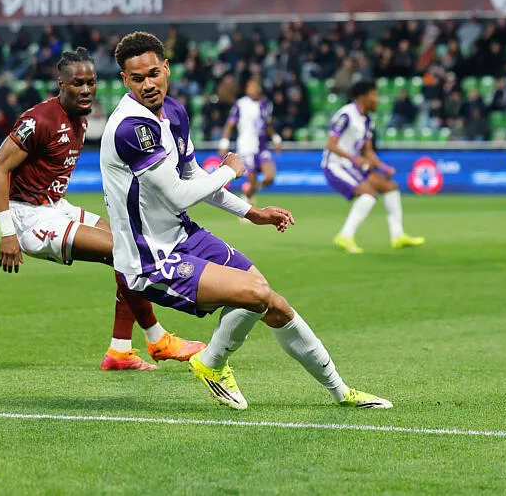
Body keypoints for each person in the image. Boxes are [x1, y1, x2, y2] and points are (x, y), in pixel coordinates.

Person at [100, 31, 390, 409]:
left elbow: (192, 180)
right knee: (255, 295)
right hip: (149, 257)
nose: (148, 84)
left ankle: (342, 392)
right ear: (125, 79)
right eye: (137, 78)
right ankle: (212, 362)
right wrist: (230, 171)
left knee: (273, 302)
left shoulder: (174, 111)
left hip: (182, 233)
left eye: (153, 73)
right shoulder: (131, 128)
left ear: (166, 67)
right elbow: (179, 194)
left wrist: (252, 212)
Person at [0, 47, 205, 370]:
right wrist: (7, 230)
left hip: (55, 206)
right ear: (61, 85)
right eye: (77, 83)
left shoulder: (81, 119)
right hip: (30, 218)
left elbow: (29, 170)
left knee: (128, 245)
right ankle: (157, 339)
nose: (86, 90)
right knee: (123, 251)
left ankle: (120, 351)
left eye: (91, 82)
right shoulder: (38, 120)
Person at [322, 79, 425, 253]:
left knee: (390, 187)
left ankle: (398, 236)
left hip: (353, 165)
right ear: (364, 96)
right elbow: (331, 145)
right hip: (335, 166)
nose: (377, 99)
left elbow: (368, 151)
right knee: (369, 195)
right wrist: (354, 159)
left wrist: (383, 167)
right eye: (374, 95)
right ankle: (345, 236)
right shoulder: (346, 115)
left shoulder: (368, 120)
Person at [217, 78, 281, 209]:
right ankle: (246, 200)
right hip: (246, 147)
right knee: (252, 179)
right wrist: (224, 143)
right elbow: (230, 124)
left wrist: (275, 138)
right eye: (250, 87)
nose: (253, 89)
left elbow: (266, 124)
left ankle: (248, 193)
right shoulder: (241, 104)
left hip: (262, 147)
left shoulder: (266, 104)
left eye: (255, 86)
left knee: (270, 177)